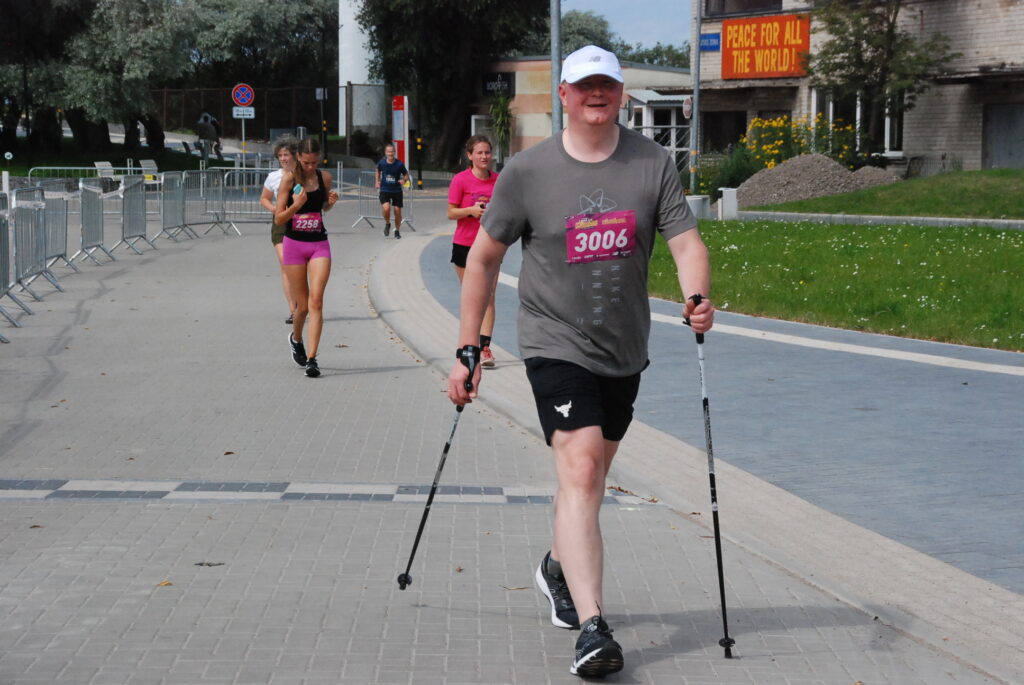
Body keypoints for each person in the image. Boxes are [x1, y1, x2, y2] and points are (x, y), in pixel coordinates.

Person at [447, 45, 714, 678]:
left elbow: (686, 242)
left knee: (586, 485)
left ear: (620, 94)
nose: (598, 94)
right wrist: (467, 348)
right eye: (585, 84)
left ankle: (555, 567)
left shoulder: (651, 162)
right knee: (584, 465)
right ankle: (594, 629)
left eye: (608, 85)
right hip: (553, 341)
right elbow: (483, 259)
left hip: (623, 350)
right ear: (563, 95)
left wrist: (697, 297)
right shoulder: (528, 172)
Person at [275, 137, 339, 378]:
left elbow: (322, 207)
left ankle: (312, 359)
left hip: (319, 244)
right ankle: (296, 338)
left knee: (317, 302)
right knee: (301, 307)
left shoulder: (325, 178)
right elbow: (279, 218)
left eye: (314, 162)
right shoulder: (289, 179)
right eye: (305, 162)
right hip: (294, 245)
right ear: (298, 158)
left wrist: (330, 203)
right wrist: (296, 205)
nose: (310, 167)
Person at [447, 135, 499, 368]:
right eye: (479, 152)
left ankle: (485, 348)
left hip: (490, 245)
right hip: (465, 244)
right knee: (471, 297)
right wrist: (470, 210)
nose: (484, 156)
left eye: (487, 152)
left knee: (489, 296)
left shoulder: (498, 180)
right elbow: (451, 212)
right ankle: (468, 346)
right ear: (470, 156)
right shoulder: (460, 180)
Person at [260, 135, 300, 324]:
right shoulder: (273, 177)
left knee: (299, 268)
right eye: (280, 155)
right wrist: (274, 208)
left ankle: (303, 303)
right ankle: (294, 310)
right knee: (286, 264)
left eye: (286, 155)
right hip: (281, 223)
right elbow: (264, 198)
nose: (283, 158)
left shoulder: (304, 175)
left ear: (295, 155)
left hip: (301, 224)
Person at [375, 143, 409, 239]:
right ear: (385, 153)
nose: (390, 154)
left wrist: (404, 180)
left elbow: (406, 174)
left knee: (397, 211)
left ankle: (397, 230)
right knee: (386, 208)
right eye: (388, 152)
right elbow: (377, 170)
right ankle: (387, 223)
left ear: (395, 152)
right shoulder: (382, 163)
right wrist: (377, 181)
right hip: (385, 190)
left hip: (396, 191)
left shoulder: (399, 164)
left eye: (392, 152)